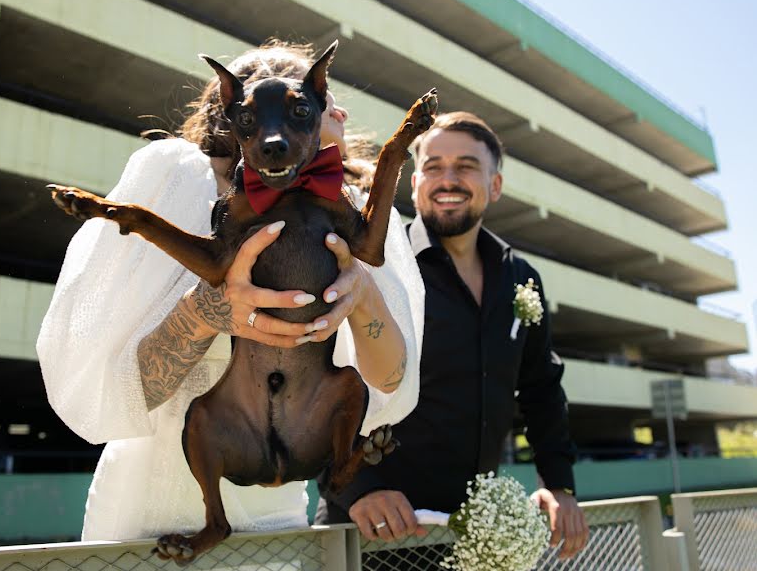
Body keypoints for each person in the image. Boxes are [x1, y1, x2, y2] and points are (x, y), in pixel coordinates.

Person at [36, 41, 424, 541]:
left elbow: (391, 383)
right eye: (320, 101)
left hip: (281, 522)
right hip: (155, 517)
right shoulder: (179, 184)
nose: (342, 110)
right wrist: (206, 312)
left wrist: (363, 295)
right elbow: (120, 393)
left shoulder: (355, 213)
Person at [316, 112, 589, 560]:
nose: (448, 179)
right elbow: (322, 383)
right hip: (370, 529)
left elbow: (542, 389)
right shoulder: (378, 263)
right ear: (416, 180)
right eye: (434, 167)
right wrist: (360, 488)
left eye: (465, 167)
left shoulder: (522, 278)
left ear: (494, 185)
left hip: (468, 536)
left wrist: (558, 485)